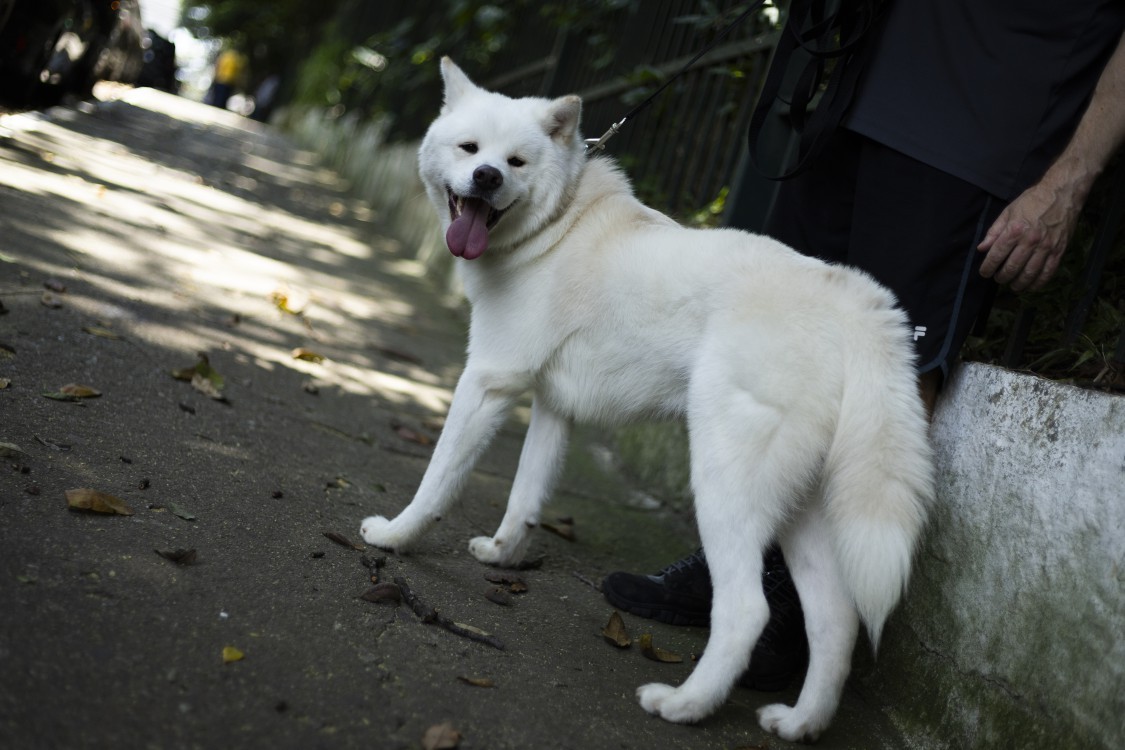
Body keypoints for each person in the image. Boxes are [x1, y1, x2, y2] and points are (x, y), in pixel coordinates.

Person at [603, 0, 1125, 690]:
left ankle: (809, 617)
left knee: (888, 380)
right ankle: (740, 568)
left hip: (978, 130)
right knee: (775, 351)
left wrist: (1065, 183)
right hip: (858, 94)